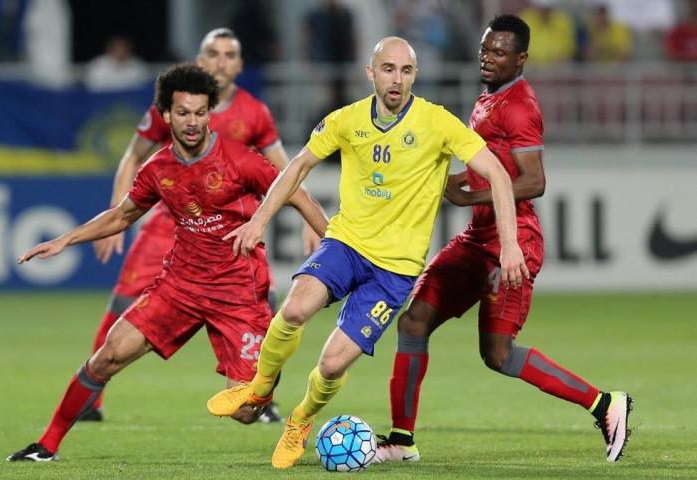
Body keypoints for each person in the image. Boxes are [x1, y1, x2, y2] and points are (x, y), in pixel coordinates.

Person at [207, 36, 529, 469]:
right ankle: (260, 389)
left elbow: (499, 176)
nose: (397, 79)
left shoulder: (438, 123)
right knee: (296, 307)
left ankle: (300, 420)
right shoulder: (346, 120)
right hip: (347, 243)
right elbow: (298, 164)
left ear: (415, 76)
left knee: (333, 362)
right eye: (389, 69)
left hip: (394, 271)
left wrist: (510, 244)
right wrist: (259, 221)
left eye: (406, 71)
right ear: (371, 73)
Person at [6, 63, 329, 462]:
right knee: (108, 354)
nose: (192, 122)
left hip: (238, 292)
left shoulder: (240, 160)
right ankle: (46, 446)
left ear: (210, 113)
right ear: (166, 116)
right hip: (180, 286)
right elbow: (122, 215)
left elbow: (297, 194)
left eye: (200, 112)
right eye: (183, 113)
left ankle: (267, 369)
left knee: (247, 412)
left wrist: (332, 251)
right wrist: (65, 239)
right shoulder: (158, 169)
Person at [371, 15, 633, 465]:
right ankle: (400, 441)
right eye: (485, 49)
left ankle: (606, 405)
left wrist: (471, 192)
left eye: (499, 52)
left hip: (513, 241)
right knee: (413, 322)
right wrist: (451, 182)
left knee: (497, 353)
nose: (487, 58)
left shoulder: (520, 105)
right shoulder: (489, 98)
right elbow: (489, 167)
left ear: (522, 58)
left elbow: (533, 181)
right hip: (477, 237)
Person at [84, 28, 320, 423]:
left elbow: (284, 170)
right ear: (199, 59)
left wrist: (308, 220)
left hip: (228, 234)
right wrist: (118, 215)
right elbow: (132, 156)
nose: (220, 62)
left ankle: (257, 391)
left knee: (269, 299)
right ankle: (93, 399)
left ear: (240, 65)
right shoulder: (177, 102)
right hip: (166, 224)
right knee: (124, 305)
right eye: (212, 53)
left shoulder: (254, 112)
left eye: (229, 55)